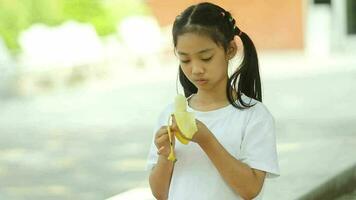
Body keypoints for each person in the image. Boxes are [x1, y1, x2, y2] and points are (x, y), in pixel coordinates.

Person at [146, 2, 280, 200]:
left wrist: (206, 140)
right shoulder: (169, 116)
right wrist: (165, 154)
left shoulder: (254, 116)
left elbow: (250, 189)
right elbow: (160, 193)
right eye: (185, 60)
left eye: (206, 57)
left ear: (230, 50)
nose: (196, 69)